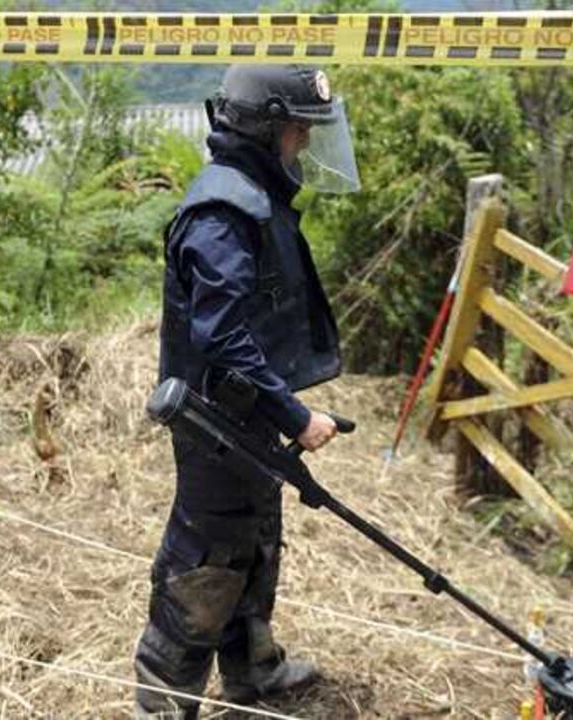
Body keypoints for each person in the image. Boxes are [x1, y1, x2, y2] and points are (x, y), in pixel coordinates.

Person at [133, 64, 361, 719]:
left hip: (247, 416)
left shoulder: (254, 194)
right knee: (205, 561)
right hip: (216, 423)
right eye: (297, 130)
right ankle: (162, 703)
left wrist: (280, 410)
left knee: (255, 541)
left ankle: (253, 670)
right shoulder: (222, 211)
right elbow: (223, 337)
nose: (305, 142)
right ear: (266, 130)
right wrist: (296, 415)